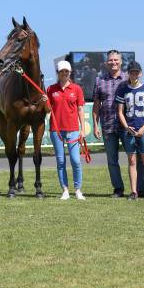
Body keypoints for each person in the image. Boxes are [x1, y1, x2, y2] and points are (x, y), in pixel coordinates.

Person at [93, 49, 144, 198]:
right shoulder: (100, 80)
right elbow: (97, 104)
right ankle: (118, 189)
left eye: (116, 60)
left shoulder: (128, 78)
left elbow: (141, 88)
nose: (113, 62)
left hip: (128, 126)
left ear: (121, 62)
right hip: (109, 125)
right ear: (106, 62)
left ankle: (141, 188)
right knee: (112, 160)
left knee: (137, 158)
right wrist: (95, 125)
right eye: (110, 60)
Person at [115, 61, 144, 201]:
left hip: (143, 129)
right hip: (129, 130)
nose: (134, 74)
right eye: (132, 72)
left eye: (136, 72)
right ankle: (133, 191)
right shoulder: (123, 89)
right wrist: (126, 126)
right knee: (131, 160)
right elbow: (120, 111)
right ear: (128, 73)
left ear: (141, 73)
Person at [47, 60, 86, 200]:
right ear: (58, 73)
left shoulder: (77, 89)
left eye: (67, 71)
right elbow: (47, 109)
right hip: (56, 130)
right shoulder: (50, 89)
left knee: (75, 160)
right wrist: (44, 100)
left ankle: (78, 189)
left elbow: (80, 110)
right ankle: (65, 189)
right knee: (60, 161)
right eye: (61, 71)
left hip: (73, 129)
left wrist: (82, 129)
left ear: (70, 73)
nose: (64, 74)